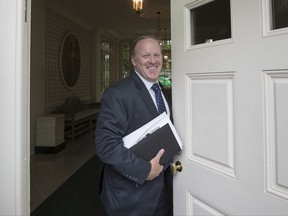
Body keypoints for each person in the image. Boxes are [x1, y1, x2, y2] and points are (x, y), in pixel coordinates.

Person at [95, 35, 173, 216]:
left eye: (157, 55)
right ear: (134, 61)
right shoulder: (118, 93)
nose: (153, 61)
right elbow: (106, 145)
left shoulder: (163, 91)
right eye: (146, 56)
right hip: (130, 195)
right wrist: (145, 170)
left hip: (162, 190)